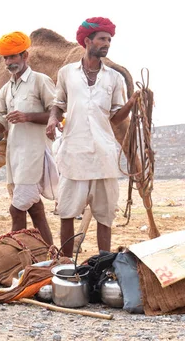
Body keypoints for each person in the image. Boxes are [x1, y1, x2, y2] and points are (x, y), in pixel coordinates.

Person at [46, 17, 140, 257]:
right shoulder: (67, 73)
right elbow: (58, 103)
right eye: (102, 39)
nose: (106, 43)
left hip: (103, 156)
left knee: (105, 216)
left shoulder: (114, 78)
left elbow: (115, 118)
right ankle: (65, 264)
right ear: (87, 41)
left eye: (109, 39)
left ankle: (103, 265)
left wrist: (132, 103)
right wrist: (52, 119)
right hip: (73, 154)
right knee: (67, 212)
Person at [0, 31, 56, 246]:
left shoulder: (40, 81)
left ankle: (15, 257)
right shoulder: (6, 90)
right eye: (6, 58)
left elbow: (56, 112)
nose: (9, 62)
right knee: (35, 210)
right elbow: (2, 123)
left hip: (34, 155)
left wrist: (28, 117)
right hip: (15, 158)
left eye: (13, 56)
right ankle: (51, 254)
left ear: (25, 56)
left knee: (16, 209)